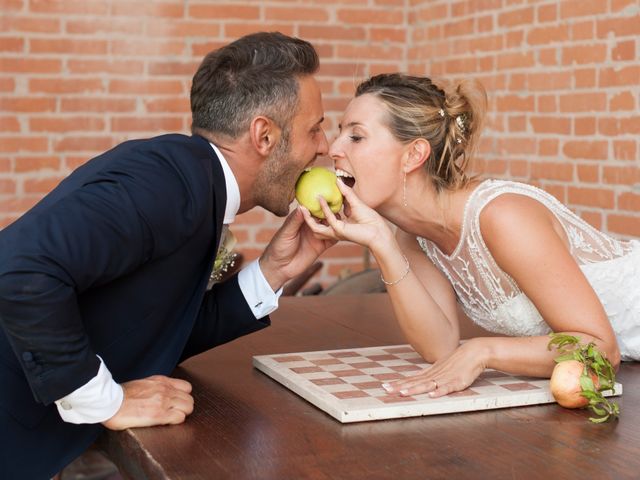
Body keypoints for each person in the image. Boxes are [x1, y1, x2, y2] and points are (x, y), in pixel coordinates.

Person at [0, 32, 334, 479]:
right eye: (315, 127)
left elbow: (160, 321)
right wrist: (107, 401)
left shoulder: (196, 183)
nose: (325, 146)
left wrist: (274, 270)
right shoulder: (165, 183)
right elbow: (19, 268)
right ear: (264, 135)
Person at [301, 72, 640, 401]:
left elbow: (599, 348)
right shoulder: (412, 237)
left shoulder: (502, 216)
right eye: (340, 133)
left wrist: (484, 351)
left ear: (414, 155)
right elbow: (440, 347)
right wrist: (381, 244)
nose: (333, 148)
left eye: (356, 137)